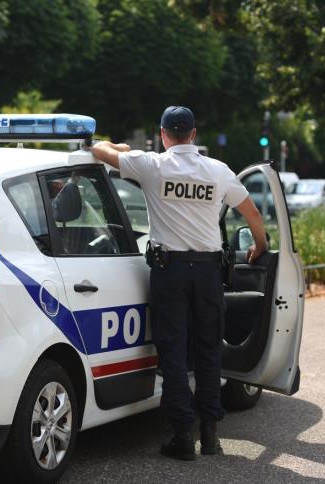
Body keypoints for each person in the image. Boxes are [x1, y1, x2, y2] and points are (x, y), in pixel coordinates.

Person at [90, 106, 268, 460]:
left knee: (172, 351)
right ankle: (210, 434)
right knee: (209, 350)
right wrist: (259, 247)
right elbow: (252, 214)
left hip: (169, 272)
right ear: (194, 134)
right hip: (208, 273)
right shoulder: (218, 170)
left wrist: (121, 147)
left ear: (162, 134)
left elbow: (98, 149)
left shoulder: (151, 165)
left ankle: (182, 435)